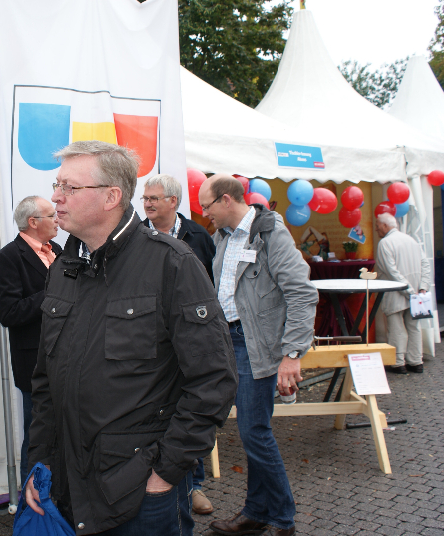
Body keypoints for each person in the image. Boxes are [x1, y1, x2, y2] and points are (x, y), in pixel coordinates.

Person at [25, 141, 238, 536]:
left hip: (141, 494)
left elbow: (214, 379)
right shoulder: (64, 269)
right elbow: (46, 383)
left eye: (69, 187)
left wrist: (166, 471)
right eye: (57, 185)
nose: (56, 197)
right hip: (69, 486)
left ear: (111, 197)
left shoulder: (172, 263)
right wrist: (41, 463)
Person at [199, 174, 318, 536]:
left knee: (254, 432)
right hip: (230, 342)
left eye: (207, 206)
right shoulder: (222, 237)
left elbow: (301, 293)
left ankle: (282, 518)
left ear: (226, 200)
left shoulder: (270, 234)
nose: (204, 214)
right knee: (252, 431)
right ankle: (256, 512)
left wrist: (292, 354)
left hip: (255, 345)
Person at [141, 173, 216, 515]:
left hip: (190, 341)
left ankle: (194, 485)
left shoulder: (198, 236)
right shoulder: (136, 236)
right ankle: (154, 481)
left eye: (154, 198)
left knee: (191, 410)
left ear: (173, 201)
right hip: (152, 342)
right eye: (145, 198)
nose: (148, 203)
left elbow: (211, 286)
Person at [0, 196, 62, 477]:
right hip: (35, 364)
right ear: (33, 222)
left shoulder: (58, 250)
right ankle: (31, 498)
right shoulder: (8, 257)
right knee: (38, 437)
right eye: (51, 215)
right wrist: (54, 294)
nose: (57, 219)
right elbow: (9, 313)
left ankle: (61, 494)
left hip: (68, 357)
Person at [375, 213, 431, 374]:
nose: (377, 229)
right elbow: (425, 264)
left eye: (378, 225)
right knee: (414, 327)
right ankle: (416, 361)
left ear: (385, 225)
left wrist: (408, 291)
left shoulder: (385, 243)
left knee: (396, 328)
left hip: (396, 293)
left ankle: (398, 362)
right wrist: (422, 288)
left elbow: (391, 271)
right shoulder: (411, 240)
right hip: (415, 292)